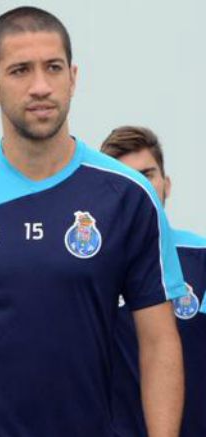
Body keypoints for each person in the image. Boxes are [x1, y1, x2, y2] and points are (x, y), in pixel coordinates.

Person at [0, 7, 186, 437]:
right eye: (20, 70)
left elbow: (158, 342)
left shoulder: (127, 198)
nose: (40, 86)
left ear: (73, 78)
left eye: (53, 68)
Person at [102, 126, 206, 437]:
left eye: (147, 174)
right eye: (125, 176)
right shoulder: (82, 270)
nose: (139, 187)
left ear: (167, 184)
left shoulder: (201, 258)